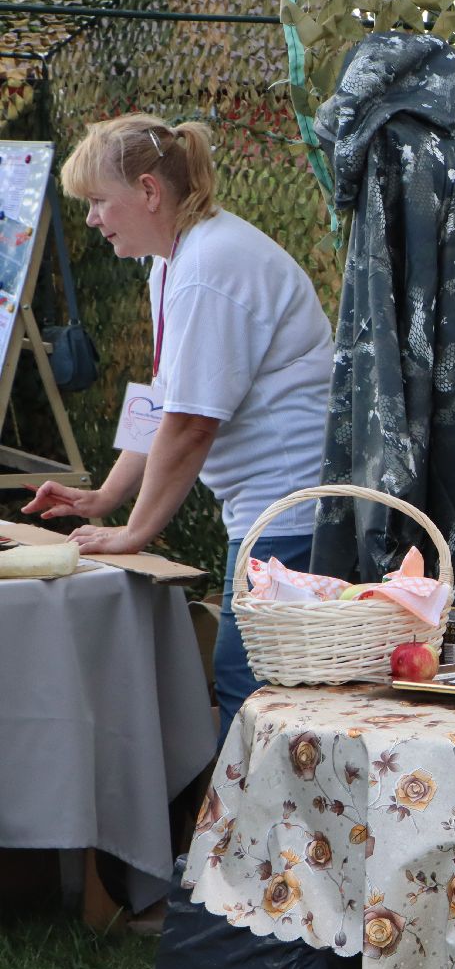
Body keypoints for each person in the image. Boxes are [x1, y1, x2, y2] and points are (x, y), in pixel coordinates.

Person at [24, 113, 333, 743]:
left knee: (254, 692)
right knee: (248, 686)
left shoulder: (209, 266)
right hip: (275, 513)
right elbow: (166, 398)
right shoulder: (177, 259)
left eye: (99, 203)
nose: (91, 220)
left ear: (148, 191)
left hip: (290, 517)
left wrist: (137, 531)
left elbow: (192, 425)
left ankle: (250, 843)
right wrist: (108, 497)